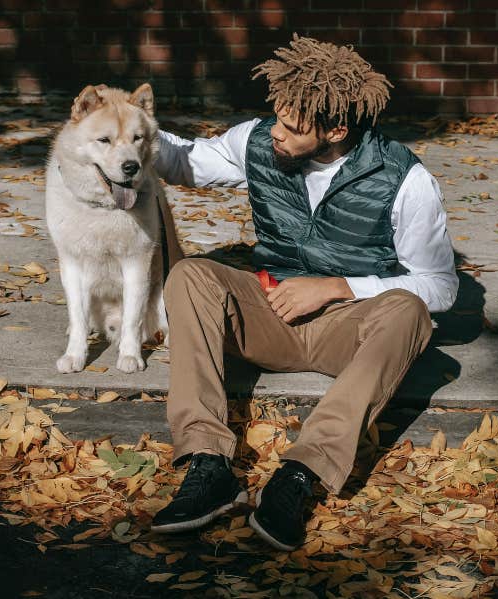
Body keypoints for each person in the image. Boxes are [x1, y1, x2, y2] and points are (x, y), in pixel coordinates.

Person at [148, 35, 458, 551]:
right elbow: (187, 162)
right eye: (277, 117)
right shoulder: (261, 139)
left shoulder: (405, 179)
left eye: (293, 128)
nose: (277, 134)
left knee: (409, 310)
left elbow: (442, 284)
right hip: (270, 312)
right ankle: (207, 465)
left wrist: (336, 287)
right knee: (192, 275)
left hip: (351, 330)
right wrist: (125, 125)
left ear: (337, 130)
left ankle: (299, 475)